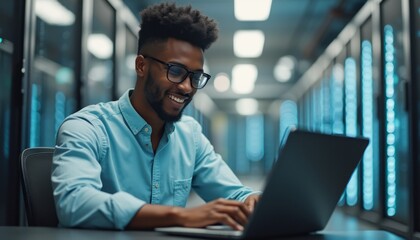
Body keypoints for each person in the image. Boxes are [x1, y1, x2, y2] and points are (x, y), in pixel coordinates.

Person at [52, 2, 260, 231]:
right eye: (176, 71)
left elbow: (237, 194)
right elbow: (74, 203)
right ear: (141, 65)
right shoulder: (87, 128)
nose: (187, 87)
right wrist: (180, 216)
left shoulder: (189, 135)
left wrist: (253, 200)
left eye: (196, 77)